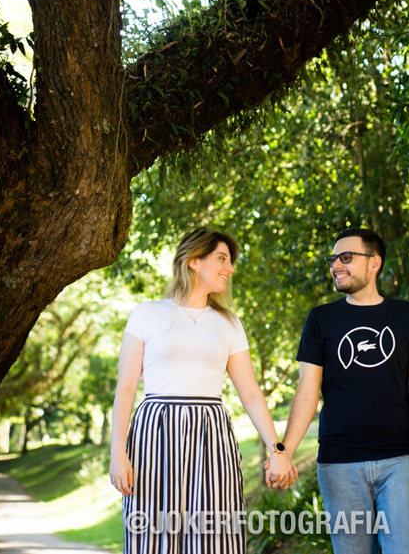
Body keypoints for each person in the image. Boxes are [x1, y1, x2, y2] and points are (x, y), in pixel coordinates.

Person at [109, 227, 295, 553]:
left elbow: (250, 393)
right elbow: (125, 388)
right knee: (153, 535)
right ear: (194, 261)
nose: (231, 268)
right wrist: (117, 453)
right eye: (222, 258)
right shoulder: (147, 314)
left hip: (212, 434)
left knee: (216, 536)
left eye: (231, 261)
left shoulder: (229, 323)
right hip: (156, 433)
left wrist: (276, 450)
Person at [280, 227, 409, 554]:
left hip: (400, 461)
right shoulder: (321, 319)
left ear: (374, 263)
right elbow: (307, 393)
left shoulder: (406, 315)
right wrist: (284, 453)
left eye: (346, 257)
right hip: (339, 465)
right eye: (333, 259)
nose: (336, 265)